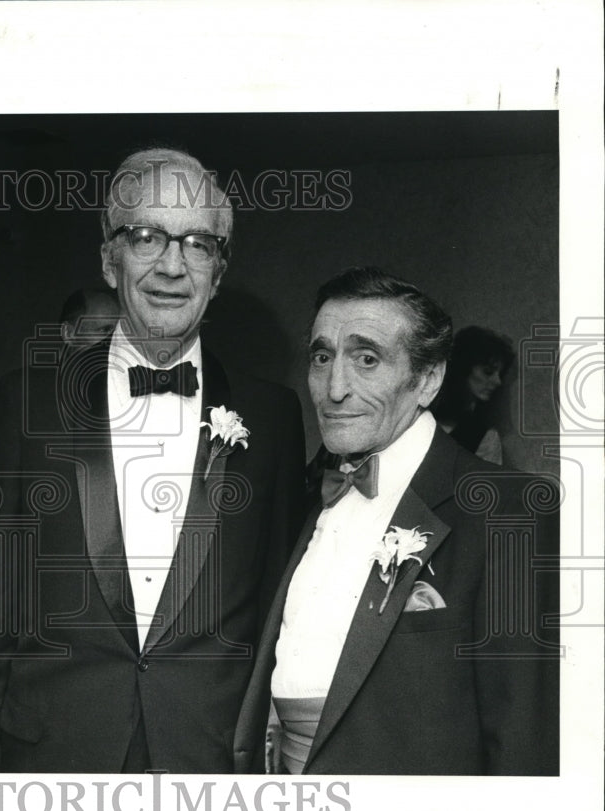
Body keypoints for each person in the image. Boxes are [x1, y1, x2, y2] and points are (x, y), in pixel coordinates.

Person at [0, 148, 306, 773]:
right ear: (108, 258)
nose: (173, 265)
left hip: (208, 761)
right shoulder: (27, 400)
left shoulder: (275, 416)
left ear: (220, 270)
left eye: (198, 243)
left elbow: (275, 608)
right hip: (51, 760)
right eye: (147, 236)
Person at [233, 267, 559, 775]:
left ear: (427, 380)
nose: (334, 388)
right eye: (322, 357)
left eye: (367, 359)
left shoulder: (506, 510)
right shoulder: (304, 493)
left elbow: (523, 738)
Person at [430, 325, 515, 464]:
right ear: (463, 368)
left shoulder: (485, 438)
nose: (498, 381)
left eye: (500, 374)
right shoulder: (419, 415)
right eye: (488, 371)